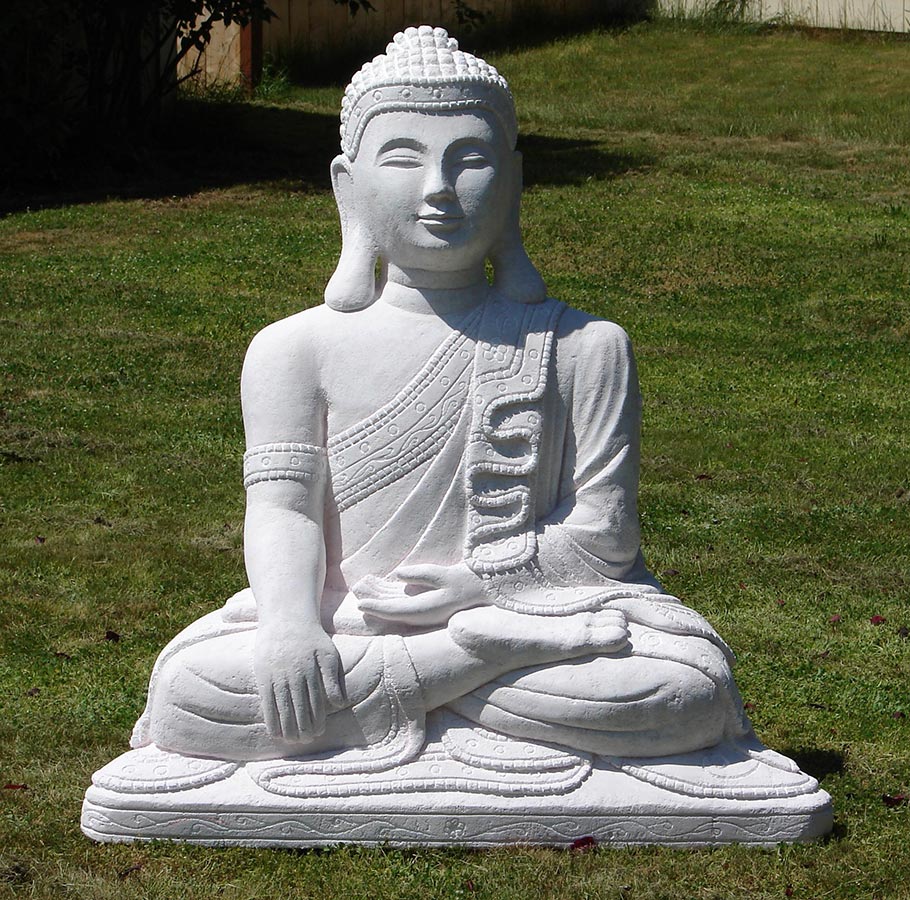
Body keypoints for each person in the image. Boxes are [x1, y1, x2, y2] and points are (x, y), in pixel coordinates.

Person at [131, 26, 749, 768]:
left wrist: (476, 587)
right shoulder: (293, 349)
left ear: (513, 182)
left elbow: (605, 534)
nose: (438, 189)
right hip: (353, 621)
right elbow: (283, 509)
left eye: (471, 159)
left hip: (531, 606)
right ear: (348, 186)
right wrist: (291, 627)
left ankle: (441, 673)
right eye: (403, 158)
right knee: (192, 694)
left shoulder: (586, 346)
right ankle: (476, 661)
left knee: (683, 691)